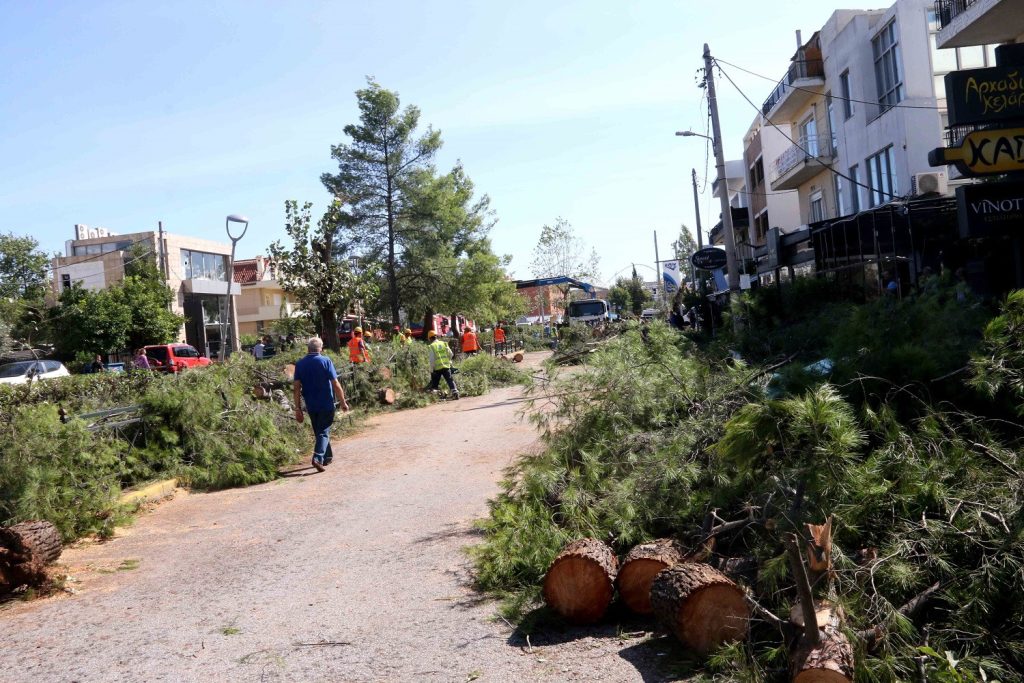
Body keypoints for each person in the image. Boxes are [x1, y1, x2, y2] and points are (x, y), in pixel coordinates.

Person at [293, 336, 350, 472]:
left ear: (308, 349)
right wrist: (343, 402)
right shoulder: (325, 361)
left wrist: (298, 408)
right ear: (321, 348)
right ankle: (318, 458)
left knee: (320, 431)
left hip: (311, 404)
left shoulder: (300, 364)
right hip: (326, 403)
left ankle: (327, 457)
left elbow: (296, 388)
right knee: (323, 432)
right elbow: (335, 383)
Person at [427, 330, 458, 399]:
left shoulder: (432, 346)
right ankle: (455, 392)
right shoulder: (444, 343)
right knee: (450, 380)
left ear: (429, 338)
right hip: (446, 366)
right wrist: (448, 360)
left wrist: (431, 369)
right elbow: (451, 354)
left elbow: (432, 360)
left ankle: (436, 396)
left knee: (435, 384)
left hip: (437, 368)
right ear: (436, 336)